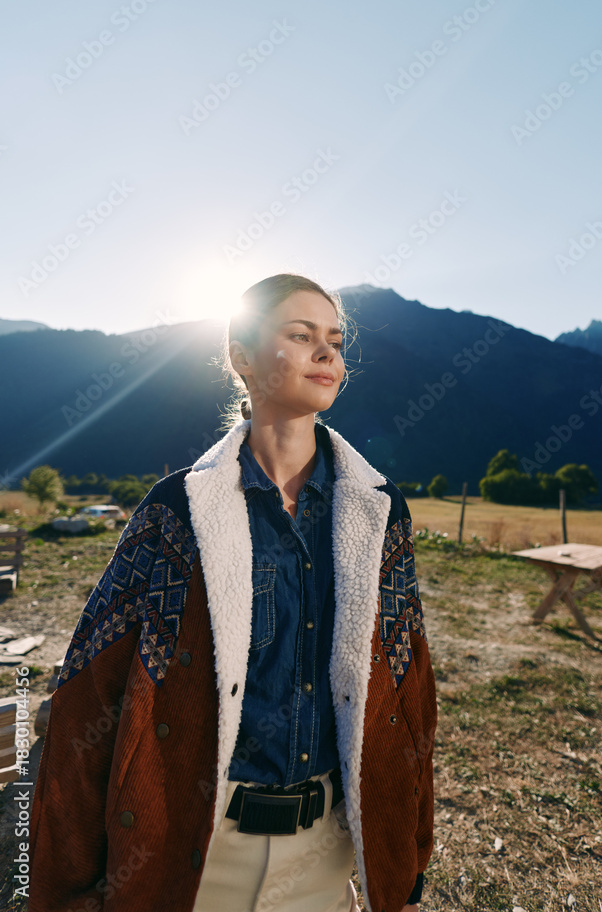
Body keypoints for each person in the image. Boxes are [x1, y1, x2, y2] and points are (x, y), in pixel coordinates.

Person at [27, 273, 437, 912]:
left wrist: (408, 862)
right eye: (301, 336)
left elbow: (410, 692)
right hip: (195, 853)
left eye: (335, 339)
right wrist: (67, 887)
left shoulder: (381, 514)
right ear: (241, 358)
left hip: (322, 856)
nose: (327, 353)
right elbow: (89, 696)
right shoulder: (176, 515)